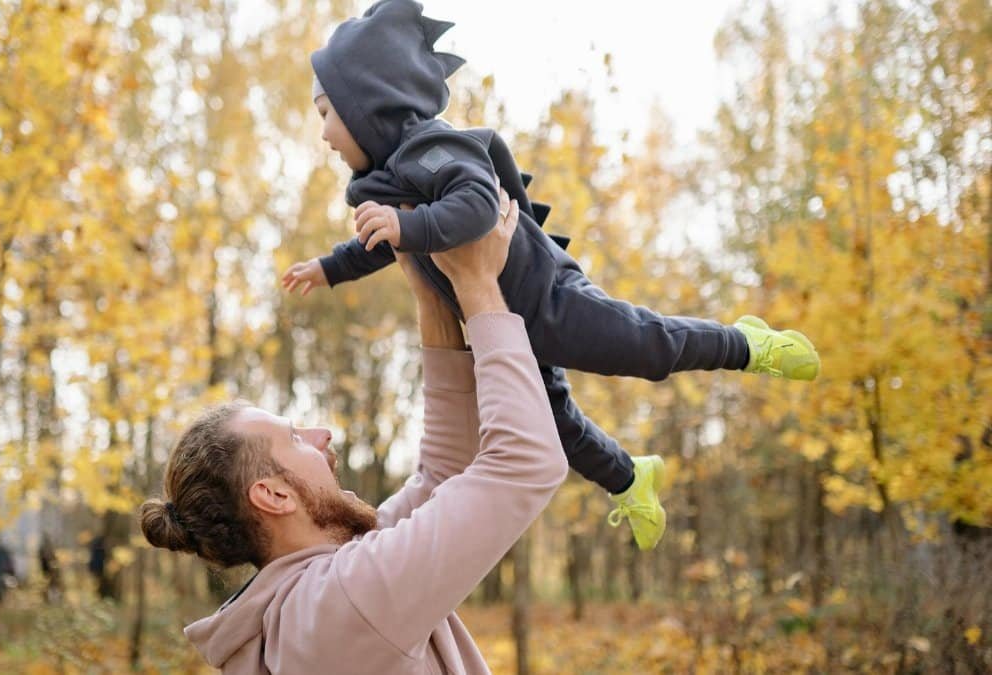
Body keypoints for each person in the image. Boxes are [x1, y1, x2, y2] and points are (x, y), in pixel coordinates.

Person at [280, 0, 821, 550]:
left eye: (326, 112)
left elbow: (477, 207)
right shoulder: (389, 181)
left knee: (643, 347)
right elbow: (383, 240)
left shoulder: (434, 149)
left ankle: (747, 343)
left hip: (549, 299)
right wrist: (330, 267)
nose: (323, 133)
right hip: (507, 326)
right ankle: (632, 478)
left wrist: (406, 227)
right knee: (557, 427)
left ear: (367, 103)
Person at [140, 190, 566, 673]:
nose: (323, 434)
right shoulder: (342, 603)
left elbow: (443, 476)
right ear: (274, 495)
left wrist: (431, 295)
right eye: (296, 438)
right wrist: (478, 285)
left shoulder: (320, 596)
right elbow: (525, 463)